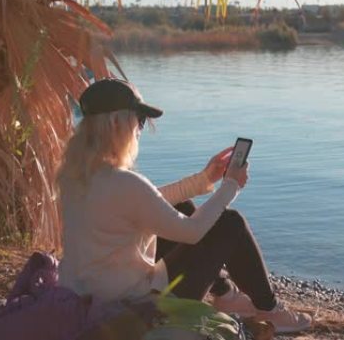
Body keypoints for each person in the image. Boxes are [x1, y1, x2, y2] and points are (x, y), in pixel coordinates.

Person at [55, 78, 312, 333]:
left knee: (184, 207)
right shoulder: (124, 183)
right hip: (133, 304)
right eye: (139, 121)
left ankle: (225, 294)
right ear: (116, 123)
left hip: (89, 294)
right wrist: (230, 186)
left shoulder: (74, 176)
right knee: (229, 223)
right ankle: (269, 309)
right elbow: (191, 232)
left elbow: (145, 204)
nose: (139, 130)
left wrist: (204, 179)